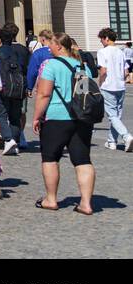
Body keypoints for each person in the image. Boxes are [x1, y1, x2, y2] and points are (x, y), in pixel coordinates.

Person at [32, 33, 98, 214]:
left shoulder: (51, 65)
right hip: (80, 118)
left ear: (59, 47)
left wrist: (36, 116)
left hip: (56, 117)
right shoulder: (82, 67)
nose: (49, 49)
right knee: (83, 160)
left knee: (50, 158)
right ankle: (86, 203)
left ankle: (51, 199)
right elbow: (83, 95)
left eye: (51, 45)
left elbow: (44, 94)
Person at [0, 24, 30, 155]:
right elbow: (26, 69)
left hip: (3, 87)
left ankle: (8, 139)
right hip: (19, 87)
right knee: (15, 116)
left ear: (0, 40)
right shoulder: (20, 52)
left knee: (2, 114)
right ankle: (15, 141)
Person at [96, 28, 132, 151]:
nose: (101, 42)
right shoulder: (121, 52)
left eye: (101, 39)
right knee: (117, 115)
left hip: (108, 85)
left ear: (106, 38)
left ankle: (126, 136)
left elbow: (103, 71)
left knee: (112, 115)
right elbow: (126, 71)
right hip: (120, 86)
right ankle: (112, 141)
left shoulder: (102, 52)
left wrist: (100, 82)